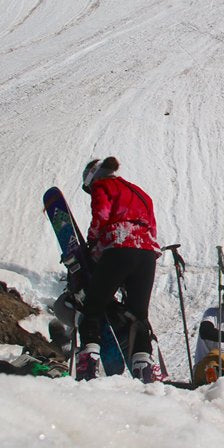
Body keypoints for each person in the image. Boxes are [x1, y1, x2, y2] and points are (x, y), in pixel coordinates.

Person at [76, 156, 162, 383]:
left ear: (92, 178)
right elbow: (152, 226)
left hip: (119, 247)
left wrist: (91, 244)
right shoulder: (140, 192)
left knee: (93, 306)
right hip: (147, 253)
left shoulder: (103, 186)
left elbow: (102, 216)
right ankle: (144, 369)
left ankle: (88, 363)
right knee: (139, 315)